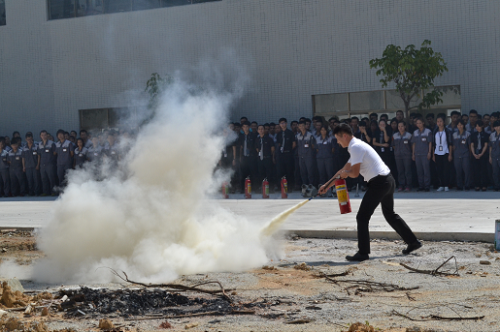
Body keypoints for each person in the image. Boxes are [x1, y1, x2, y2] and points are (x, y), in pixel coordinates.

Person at [318, 124, 421, 261]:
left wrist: (346, 174)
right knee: (390, 215)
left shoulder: (355, 147)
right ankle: (413, 242)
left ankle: (363, 252)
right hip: (387, 180)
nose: (337, 142)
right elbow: (342, 170)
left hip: (380, 183)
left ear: (345, 136)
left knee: (362, 217)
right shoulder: (356, 146)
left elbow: (353, 173)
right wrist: (327, 185)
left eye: (338, 138)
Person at [432, 115, 453, 192]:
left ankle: (446, 185)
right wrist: (433, 154)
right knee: (439, 169)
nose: (439, 123)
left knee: (446, 169)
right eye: (438, 121)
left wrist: (450, 154)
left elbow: (450, 143)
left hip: (445, 152)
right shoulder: (435, 131)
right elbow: (433, 144)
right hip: (437, 152)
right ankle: (441, 184)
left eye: (441, 121)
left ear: (444, 122)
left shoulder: (447, 131)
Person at [412, 118, 433, 192]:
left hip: (425, 154)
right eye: (417, 123)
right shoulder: (415, 132)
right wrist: (413, 154)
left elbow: (430, 142)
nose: (418, 125)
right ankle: (421, 186)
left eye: (420, 123)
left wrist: (429, 152)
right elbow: (413, 144)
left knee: (426, 170)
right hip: (417, 154)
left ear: (423, 123)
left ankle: (427, 186)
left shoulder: (428, 132)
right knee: (419, 171)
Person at [236, 122, 258, 192]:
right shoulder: (241, 136)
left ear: (249, 127)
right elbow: (240, 147)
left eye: (247, 126)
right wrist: (240, 157)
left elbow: (256, 147)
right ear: (242, 128)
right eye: (244, 127)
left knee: (253, 173)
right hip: (244, 157)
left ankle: (254, 188)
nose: (245, 128)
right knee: (243, 174)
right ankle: (243, 189)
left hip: (251, 157)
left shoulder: (253, 136)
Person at [277, 118, 296, 191]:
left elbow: (294, 144)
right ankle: (281, 187)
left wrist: (288, 150)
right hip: (281, 155)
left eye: (284, 123)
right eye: (281, 123)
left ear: (286, 124)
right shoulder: (279, 134)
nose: (283, 125)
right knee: (281, 171)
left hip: (288, 154)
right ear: (279, 125)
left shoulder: (290, 133)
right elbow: (279, 144)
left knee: (289, 171)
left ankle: (290, 187)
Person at [393, 121, 412, 192]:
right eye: (399, 126)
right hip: (398, 156)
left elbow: (412, 146)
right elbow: (393, 145)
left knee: (408, 171)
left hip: (407, 155)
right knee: (400, 171)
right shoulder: (395, 135)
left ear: (405, 127)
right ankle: (401, 185)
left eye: (402, 126)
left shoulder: (409, 135)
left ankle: (408, 185)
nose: (400, 128)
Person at [470, 120, 489, 191]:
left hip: (483, 154)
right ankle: (477, 185)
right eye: (476, 126)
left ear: (482, 126)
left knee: (483, 170)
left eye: (479, 126)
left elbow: (485, 145)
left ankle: (484, 185)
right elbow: (472, 145)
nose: (477, 128)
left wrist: (481, 154)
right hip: (475, 153)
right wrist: (474, 153)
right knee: (476, 170)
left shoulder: (486, 134)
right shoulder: (473, 134)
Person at [452, 120, 471, 191]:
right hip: (457, 155)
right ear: (457, 126)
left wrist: (470, 154)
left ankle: (467, 185)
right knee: (458, 171)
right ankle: (459, 185)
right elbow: (453, 146)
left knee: (466, 171)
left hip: (465, 155)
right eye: (458, 125)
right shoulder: (454, 134)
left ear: (464, 126)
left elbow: (469, 145)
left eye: (461, 125)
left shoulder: (467, 134)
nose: (460, 126)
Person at [296, 120, 317, 187]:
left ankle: (311, 186)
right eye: (300, 126)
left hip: (309, 156)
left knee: (310, 172)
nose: (301, 127)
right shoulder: (298, 136)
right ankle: (305, 186)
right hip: (301, 156)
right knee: (303, 172)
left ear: (305, 126)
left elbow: (313, 146)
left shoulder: (310, 135)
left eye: (302, 126)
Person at [315, 125, 334, 191]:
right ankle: (322, 188)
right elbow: (316, 149)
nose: (323, 131)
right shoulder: (317, 139)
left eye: (324, 130)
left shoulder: (330, 138)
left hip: (328, 158)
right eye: (322, 130)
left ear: (326, 131)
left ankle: (331, 187)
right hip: (320, 158)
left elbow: (333, 148)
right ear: (320, 131)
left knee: (329, 173)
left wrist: (328, 154)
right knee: (321, 173)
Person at [38, 130, 57, 196]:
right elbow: (39, 155)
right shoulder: (39, 144)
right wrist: (39, 164)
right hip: (42, 164)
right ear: (40, 136)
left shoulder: (52, 143)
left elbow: (55, 153)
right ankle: (46, 192)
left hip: (50, 164)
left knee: (51, 178)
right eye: (42, 135)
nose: (44, 136)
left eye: (45, 135)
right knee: (44, 178)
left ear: (47, 135)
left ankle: (53, 192)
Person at [489, 120, 500, 191]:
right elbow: (490, 147)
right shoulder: (492, 135)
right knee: (495, 172)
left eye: (498, 126)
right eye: (496, 126)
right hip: (494, 156)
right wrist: (490, 157)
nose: (497, 128)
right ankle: (496, 186)